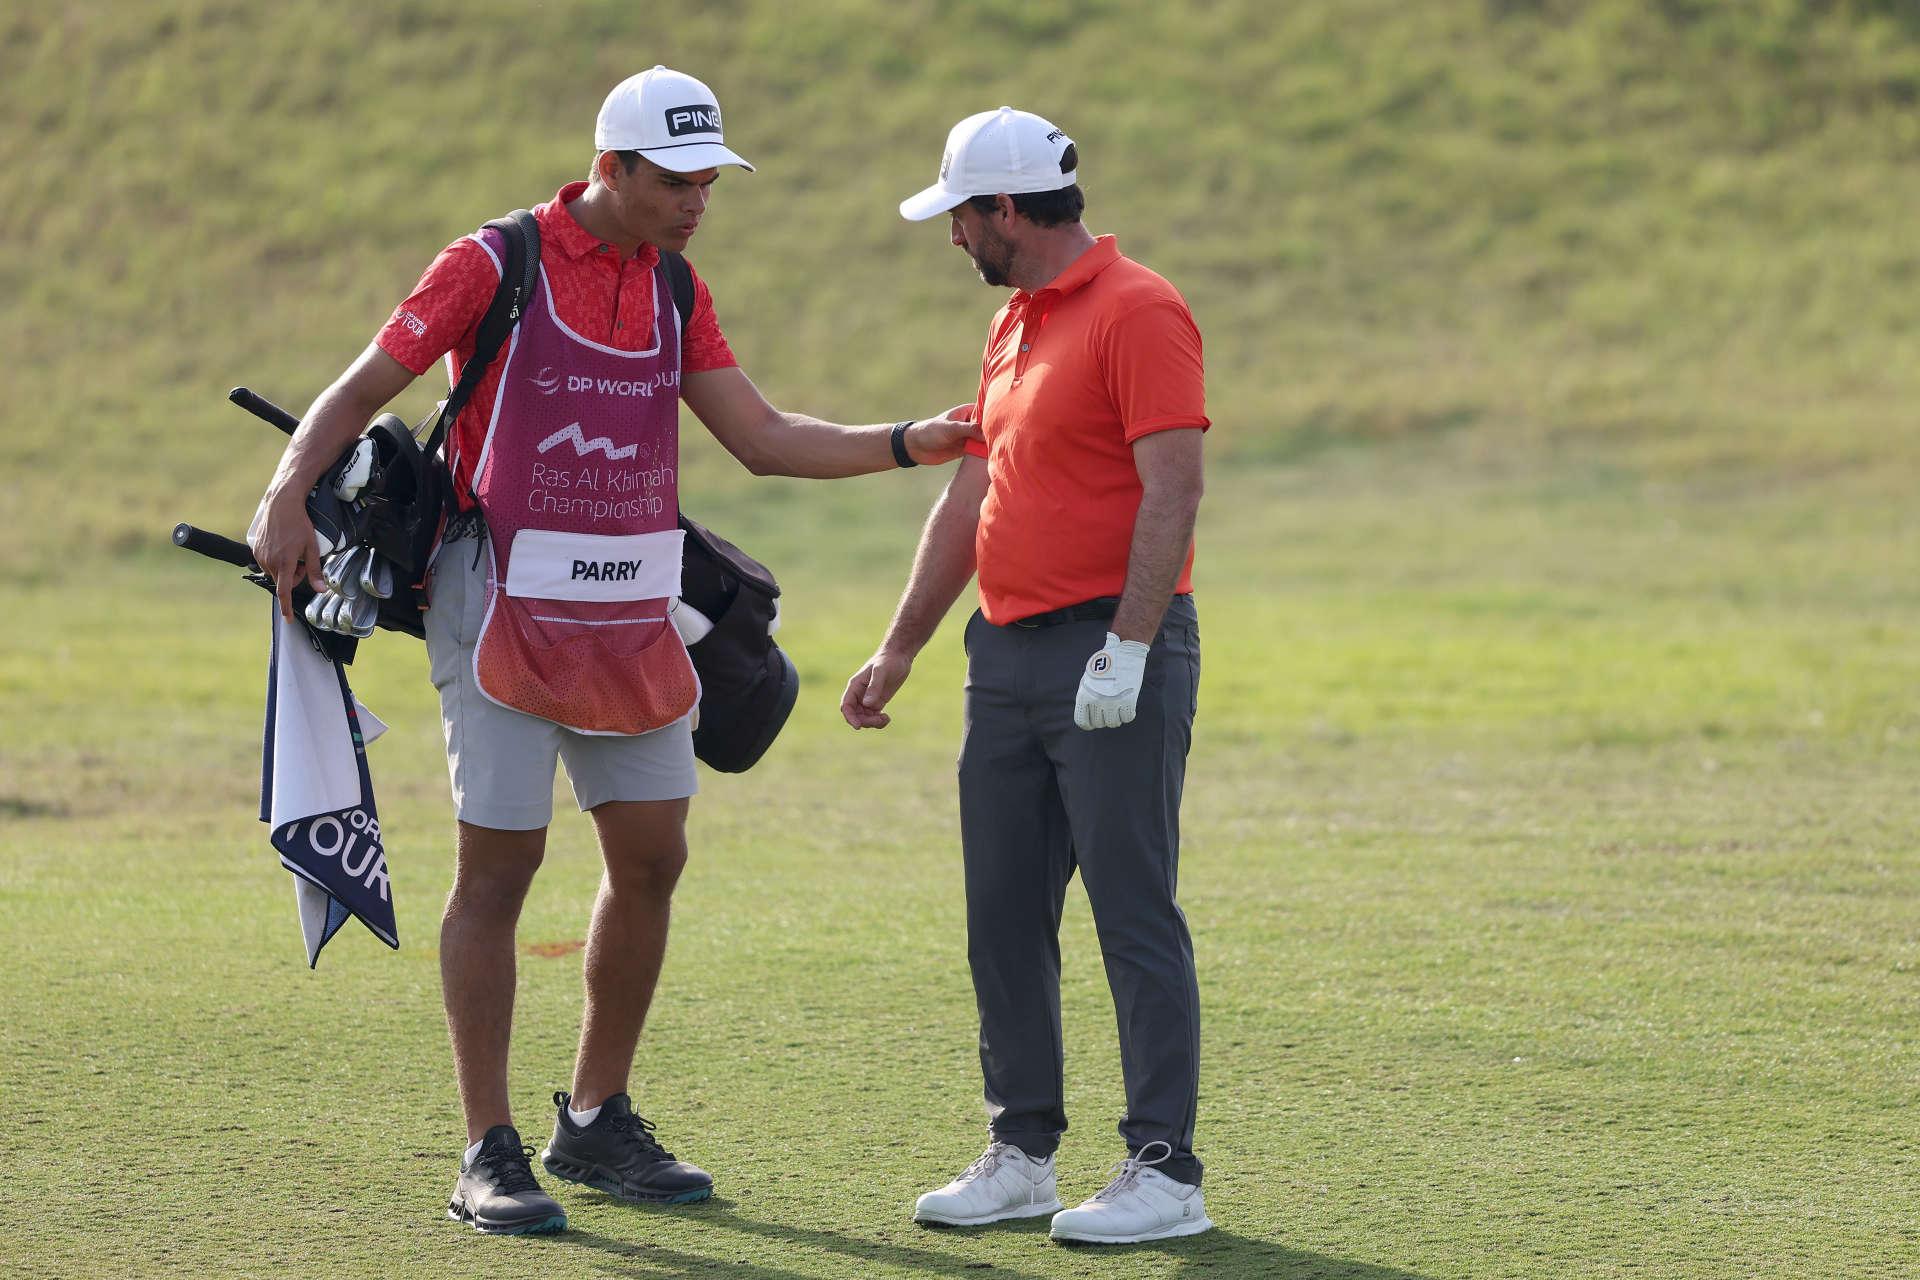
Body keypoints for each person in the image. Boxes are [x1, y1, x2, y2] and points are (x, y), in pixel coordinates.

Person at [249, 66, 979, 1236]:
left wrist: (908, 441)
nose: (699, 201)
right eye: (680, 180)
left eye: (711, 182)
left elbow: (763, 436)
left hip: (634, 607)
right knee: (501, 869)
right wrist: (287, 493)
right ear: (616, 168)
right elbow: (363, 382)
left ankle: (594, 1116)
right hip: (498, 602)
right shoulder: (493, 262)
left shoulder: (676, 285)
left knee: (653, 857)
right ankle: (485, 1147)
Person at [841, 107, 1211, 1245]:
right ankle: (1024, 1152)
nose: (954, 237)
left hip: (1112, 642)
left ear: (1005, 209)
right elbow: (974, 493)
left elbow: (1175, 488)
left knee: (1131, 907)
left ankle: (1165, 1169)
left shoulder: (1140, 309)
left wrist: (1132, 645)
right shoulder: (1013, 325)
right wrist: (901, 642)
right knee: (1002, 911)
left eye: (960, 215)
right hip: (1001, 655)